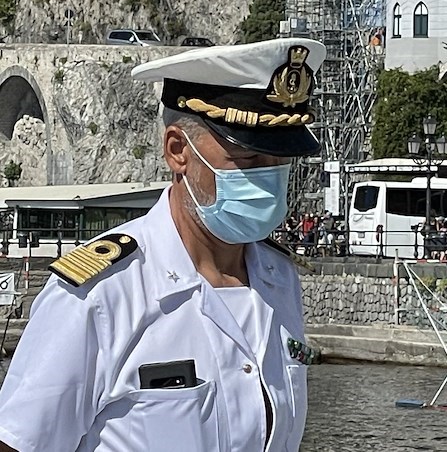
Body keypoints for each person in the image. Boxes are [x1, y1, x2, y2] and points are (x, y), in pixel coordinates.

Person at [0, 37, 326, 451]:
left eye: (280, 162)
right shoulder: (103, 293)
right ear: (178, 151)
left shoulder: (279, 279)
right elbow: (17, 440)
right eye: (247, 159)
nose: (269, 176)